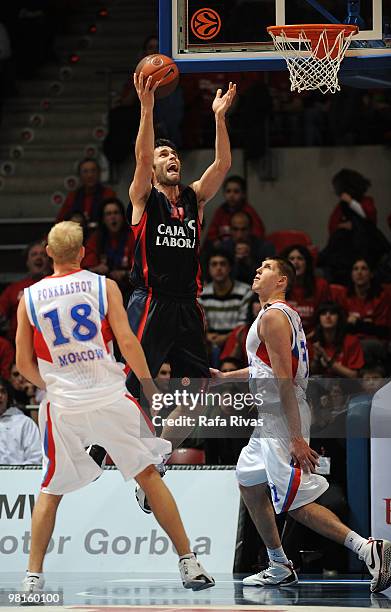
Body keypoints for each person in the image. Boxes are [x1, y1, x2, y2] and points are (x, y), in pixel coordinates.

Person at [15, 221, 214, 593]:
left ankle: (32, 579)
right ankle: (189, 562)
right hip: (109, 396)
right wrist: (151, 387)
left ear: (49, 252)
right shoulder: (103, 287)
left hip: (64, 406)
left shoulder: (29, 297)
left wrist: (57, 384)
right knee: (149, 476)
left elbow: (24, 364)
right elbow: (127, 341)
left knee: (50, 489)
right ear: (81, 253)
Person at [210, 256, 391, 593]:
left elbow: (283, 381)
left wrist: (295, 437)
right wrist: (225, 378)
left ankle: (369, 549)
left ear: (282, 281)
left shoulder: (275, 317)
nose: (257, 270)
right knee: (248, 482)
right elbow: (263, 368)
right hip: (269, 420)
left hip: (281, 417)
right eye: (258, 265)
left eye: (265, 267)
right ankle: (278, 564)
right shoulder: (272, 315)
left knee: (297, 505)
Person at [199, 251, 253, 354]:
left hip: (236, 342)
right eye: (214, 264)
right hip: (209, 343)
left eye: (223, 264)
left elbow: (243, 325)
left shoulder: (245, 292)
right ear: (209, 269)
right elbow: (201, 323)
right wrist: (206, 335)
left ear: (230, 268)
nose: (218, 268)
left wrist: (225, 337)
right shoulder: (202, 294)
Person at [0, 241, 51, 341]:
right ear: (27, 262)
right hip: (18, 344)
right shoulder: (14, 288)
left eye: (43, 255)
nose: (38, 257)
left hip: (50, 344)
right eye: (34, 254)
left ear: (49, 262)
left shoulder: (57, 284)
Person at [83, 198, 134, 297]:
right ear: (103, 219)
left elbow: (141, 268)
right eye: (108, 214)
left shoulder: (132, 236)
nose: (113, 217)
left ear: (122, 216)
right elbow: (87, 267)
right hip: (103, 290)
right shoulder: (96, 238)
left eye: (116, 213)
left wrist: (124, 273)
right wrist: (97, 268)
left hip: (130, 289)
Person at [343, 258, 390, 366]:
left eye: (364, 269)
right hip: (351, 342)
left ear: (371, 274)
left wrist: (356, 323)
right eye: (356, 269)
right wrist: (366, 324)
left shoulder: (382, 297)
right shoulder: (345, 296)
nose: (359, 272)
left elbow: (383, 330)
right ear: (351, 274)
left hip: (376, 344)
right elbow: (342, 327)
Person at [281, 244, 331, 336]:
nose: (296, 262)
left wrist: (316, 333)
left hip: (315, 337)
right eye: (291, 259)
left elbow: (326, 313)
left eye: (300, 259)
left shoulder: (320, 285)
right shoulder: (278, 285)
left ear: (307, 263)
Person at [309, 302, 365, 379]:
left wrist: (328, 360)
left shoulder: (351, 341)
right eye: (323, 313)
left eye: (332, 313)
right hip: (320, 386)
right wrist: (316, 358)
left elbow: (354, 376)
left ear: (339, 318)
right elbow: (309, 374)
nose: (328, 316)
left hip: (346, 386)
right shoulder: (312, 341)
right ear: (318, 318)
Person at [56, 158, 116, 227]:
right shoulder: (72, 196)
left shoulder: (108, 194)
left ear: (99, 173)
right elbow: (59, 223)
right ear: (80, 176)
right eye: (85, 171)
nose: (90, 175)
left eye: (93, 171)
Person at [205, 175, 265, 245]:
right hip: (224, 250)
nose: (231, 195)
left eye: (236, 191)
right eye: (228, 191)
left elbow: (258, 235)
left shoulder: (249, 212)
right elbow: (211, 235)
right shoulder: (221, 211)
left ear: (243, 194)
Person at [0, 376, 41, 464]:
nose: (0, 395)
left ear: (8, 396)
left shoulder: (24, 423)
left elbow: (36, 458)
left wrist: (16, 475)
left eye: (2, 391)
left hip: (18, 477)